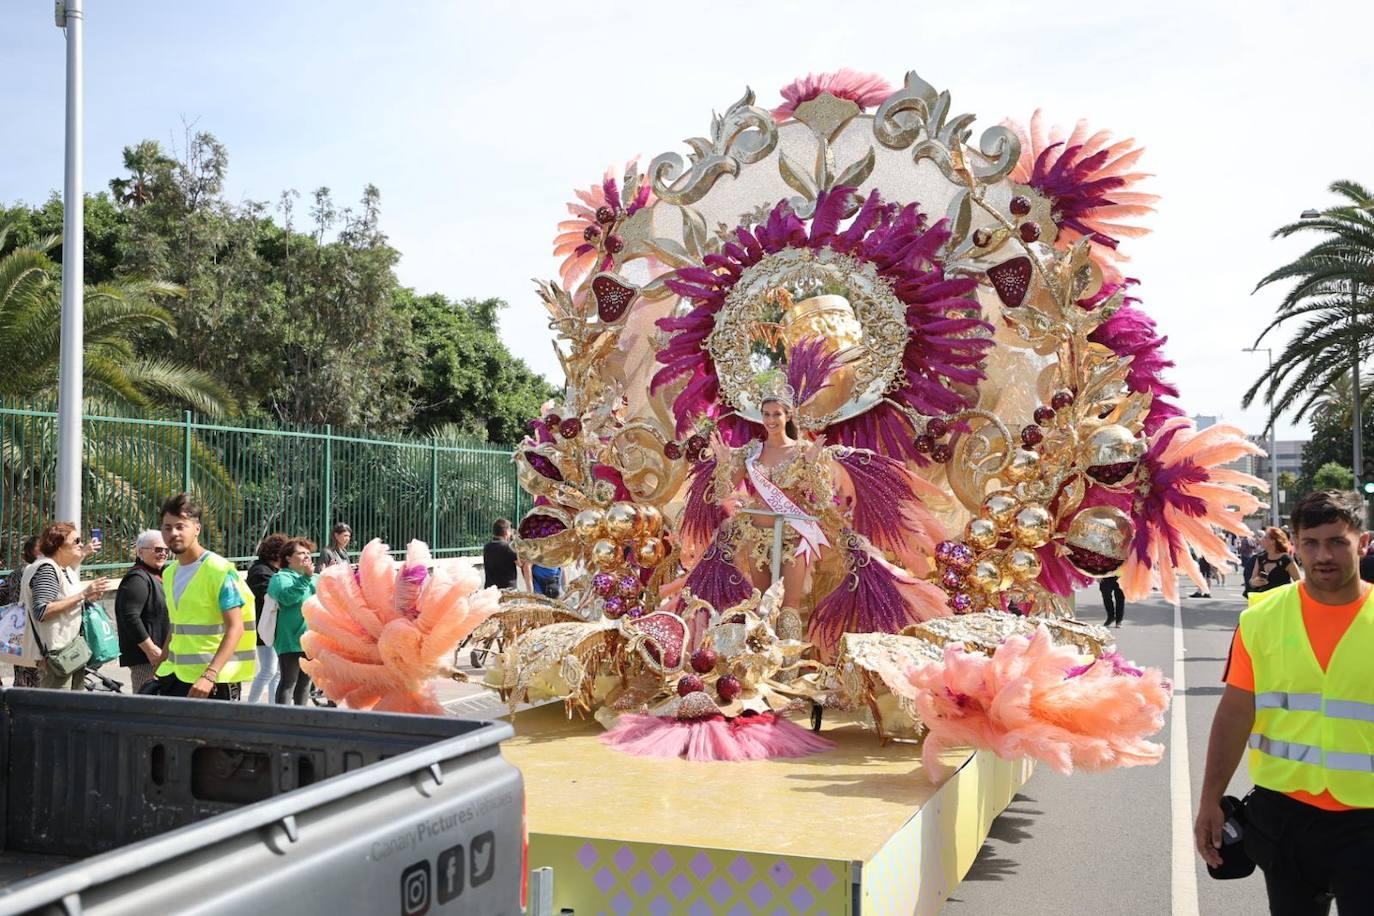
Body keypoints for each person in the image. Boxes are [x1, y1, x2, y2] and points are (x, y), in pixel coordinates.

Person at [1195, 490, 1374, 913]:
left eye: (1337, 542)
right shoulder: (1260, 619)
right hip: (1286, 815)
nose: (1323, 555)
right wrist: (1209, 800)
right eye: (1311, 543)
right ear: (1294, 544)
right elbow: (1235, 713)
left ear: (1363, 543)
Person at [155, 493, 255, 700]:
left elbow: (236, 627)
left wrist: (210, 675)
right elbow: (177, 627)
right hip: (175, 676)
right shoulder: (169, 573)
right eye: (167, 527)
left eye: (180, 526)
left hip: (212, 682)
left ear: (197, 529)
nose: (173, 533)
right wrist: (159, 666)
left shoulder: (218, 570)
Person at [19, 523, 110, 690]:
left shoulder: (63, 569)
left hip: (71, 653)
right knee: (56, 705)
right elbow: (42, 611)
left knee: (72, 705)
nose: (81, 545)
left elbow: (65, 600)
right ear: (58, 545)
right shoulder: (46, 569)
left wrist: (87, 598)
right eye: (76, 541)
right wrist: (83, 594)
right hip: (56, 656)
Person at [113, 530, 170, 694]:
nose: (163, 553)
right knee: (147, 702)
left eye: (166, 550)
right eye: (158, 549)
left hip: (161, 656)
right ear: (140, 552)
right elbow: (130, 617)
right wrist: (151, 650)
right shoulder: (137, 578)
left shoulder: (160, 575)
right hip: (147, 659)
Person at [269, 537, 318, 705]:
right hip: (290, 639)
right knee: (289, 681)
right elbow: (287, 598)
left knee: (305, 683)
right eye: (301, 553)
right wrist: (305, 578)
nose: (306, 556)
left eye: (308, 553)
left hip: (311, 639)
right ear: (288, 558)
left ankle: (301, 718)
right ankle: (281, 718)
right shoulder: (280, 578)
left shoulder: (314, 577)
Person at [245, 533, 289, 703]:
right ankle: (251, 706)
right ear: (276, 554)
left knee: (276, 671)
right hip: (264, 627)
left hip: (272, 626)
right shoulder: (260, 572)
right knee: (268, 670)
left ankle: (274, 707)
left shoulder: (271, 571)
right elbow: (270, 598)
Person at [4, 535, 42, 687]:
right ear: (35, 552)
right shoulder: (39, 572)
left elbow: (3, 595)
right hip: (35, 631)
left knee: (22, 672)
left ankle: (19, 698)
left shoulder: (16, 573)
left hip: (18, 630)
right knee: (37, 675)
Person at [1249, 526, 1303, 595]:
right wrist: (1254, 582)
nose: (1261, 539)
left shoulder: (1285, 559)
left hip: (1282, 598)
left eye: (1265, 537)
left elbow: (1299, 582)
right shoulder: (1260, 558)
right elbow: (1252, 580)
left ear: (1273, 541)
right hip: (1264, 598)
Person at [483, 519, 527, 590]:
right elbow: (521, 563)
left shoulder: (487, 547)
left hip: (491, 589)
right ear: (506, 532)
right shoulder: (508, 547)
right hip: (508, 589)